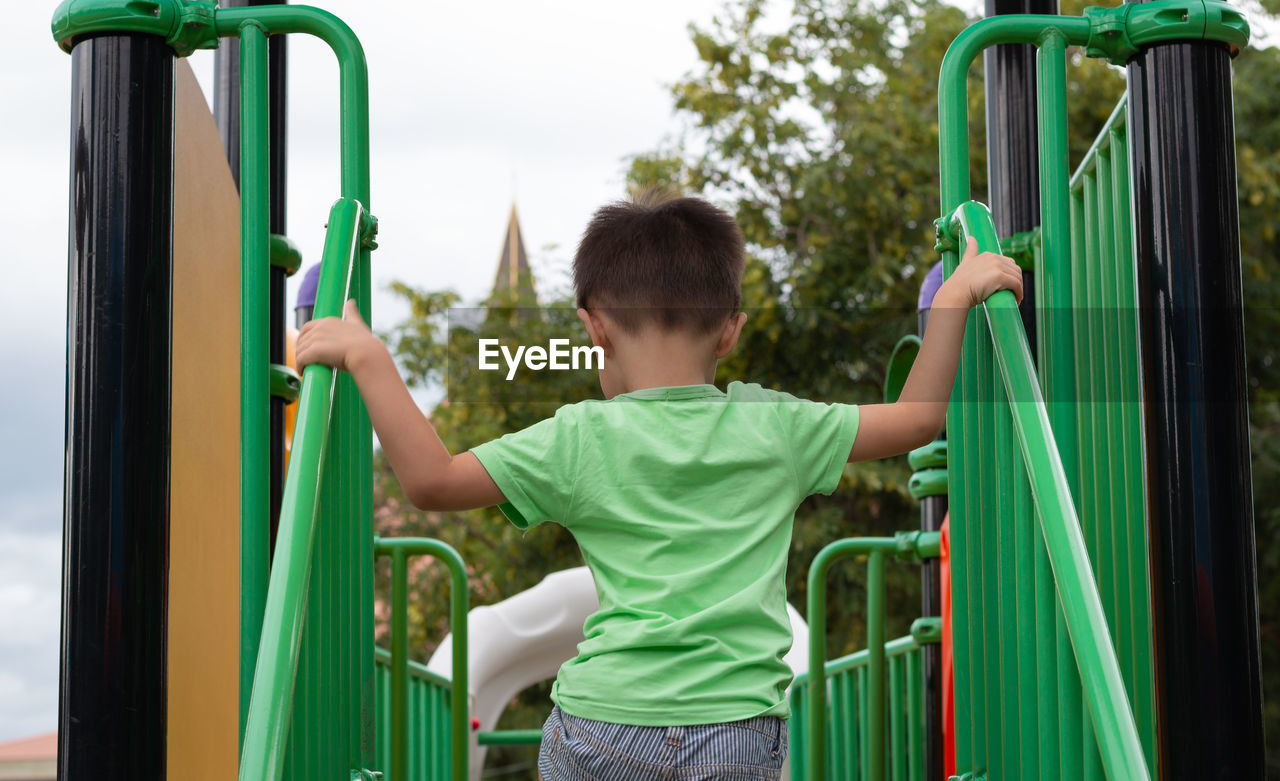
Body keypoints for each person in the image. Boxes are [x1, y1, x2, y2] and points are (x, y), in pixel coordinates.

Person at [295, 189, 1022, 780]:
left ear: (593, 327)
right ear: (732, 330)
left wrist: (369, 357)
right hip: (736, 728)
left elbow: (431, 479)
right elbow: (920, 417)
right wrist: (953, 298)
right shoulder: (777, 427)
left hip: (599, 729)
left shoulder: (577, 437)